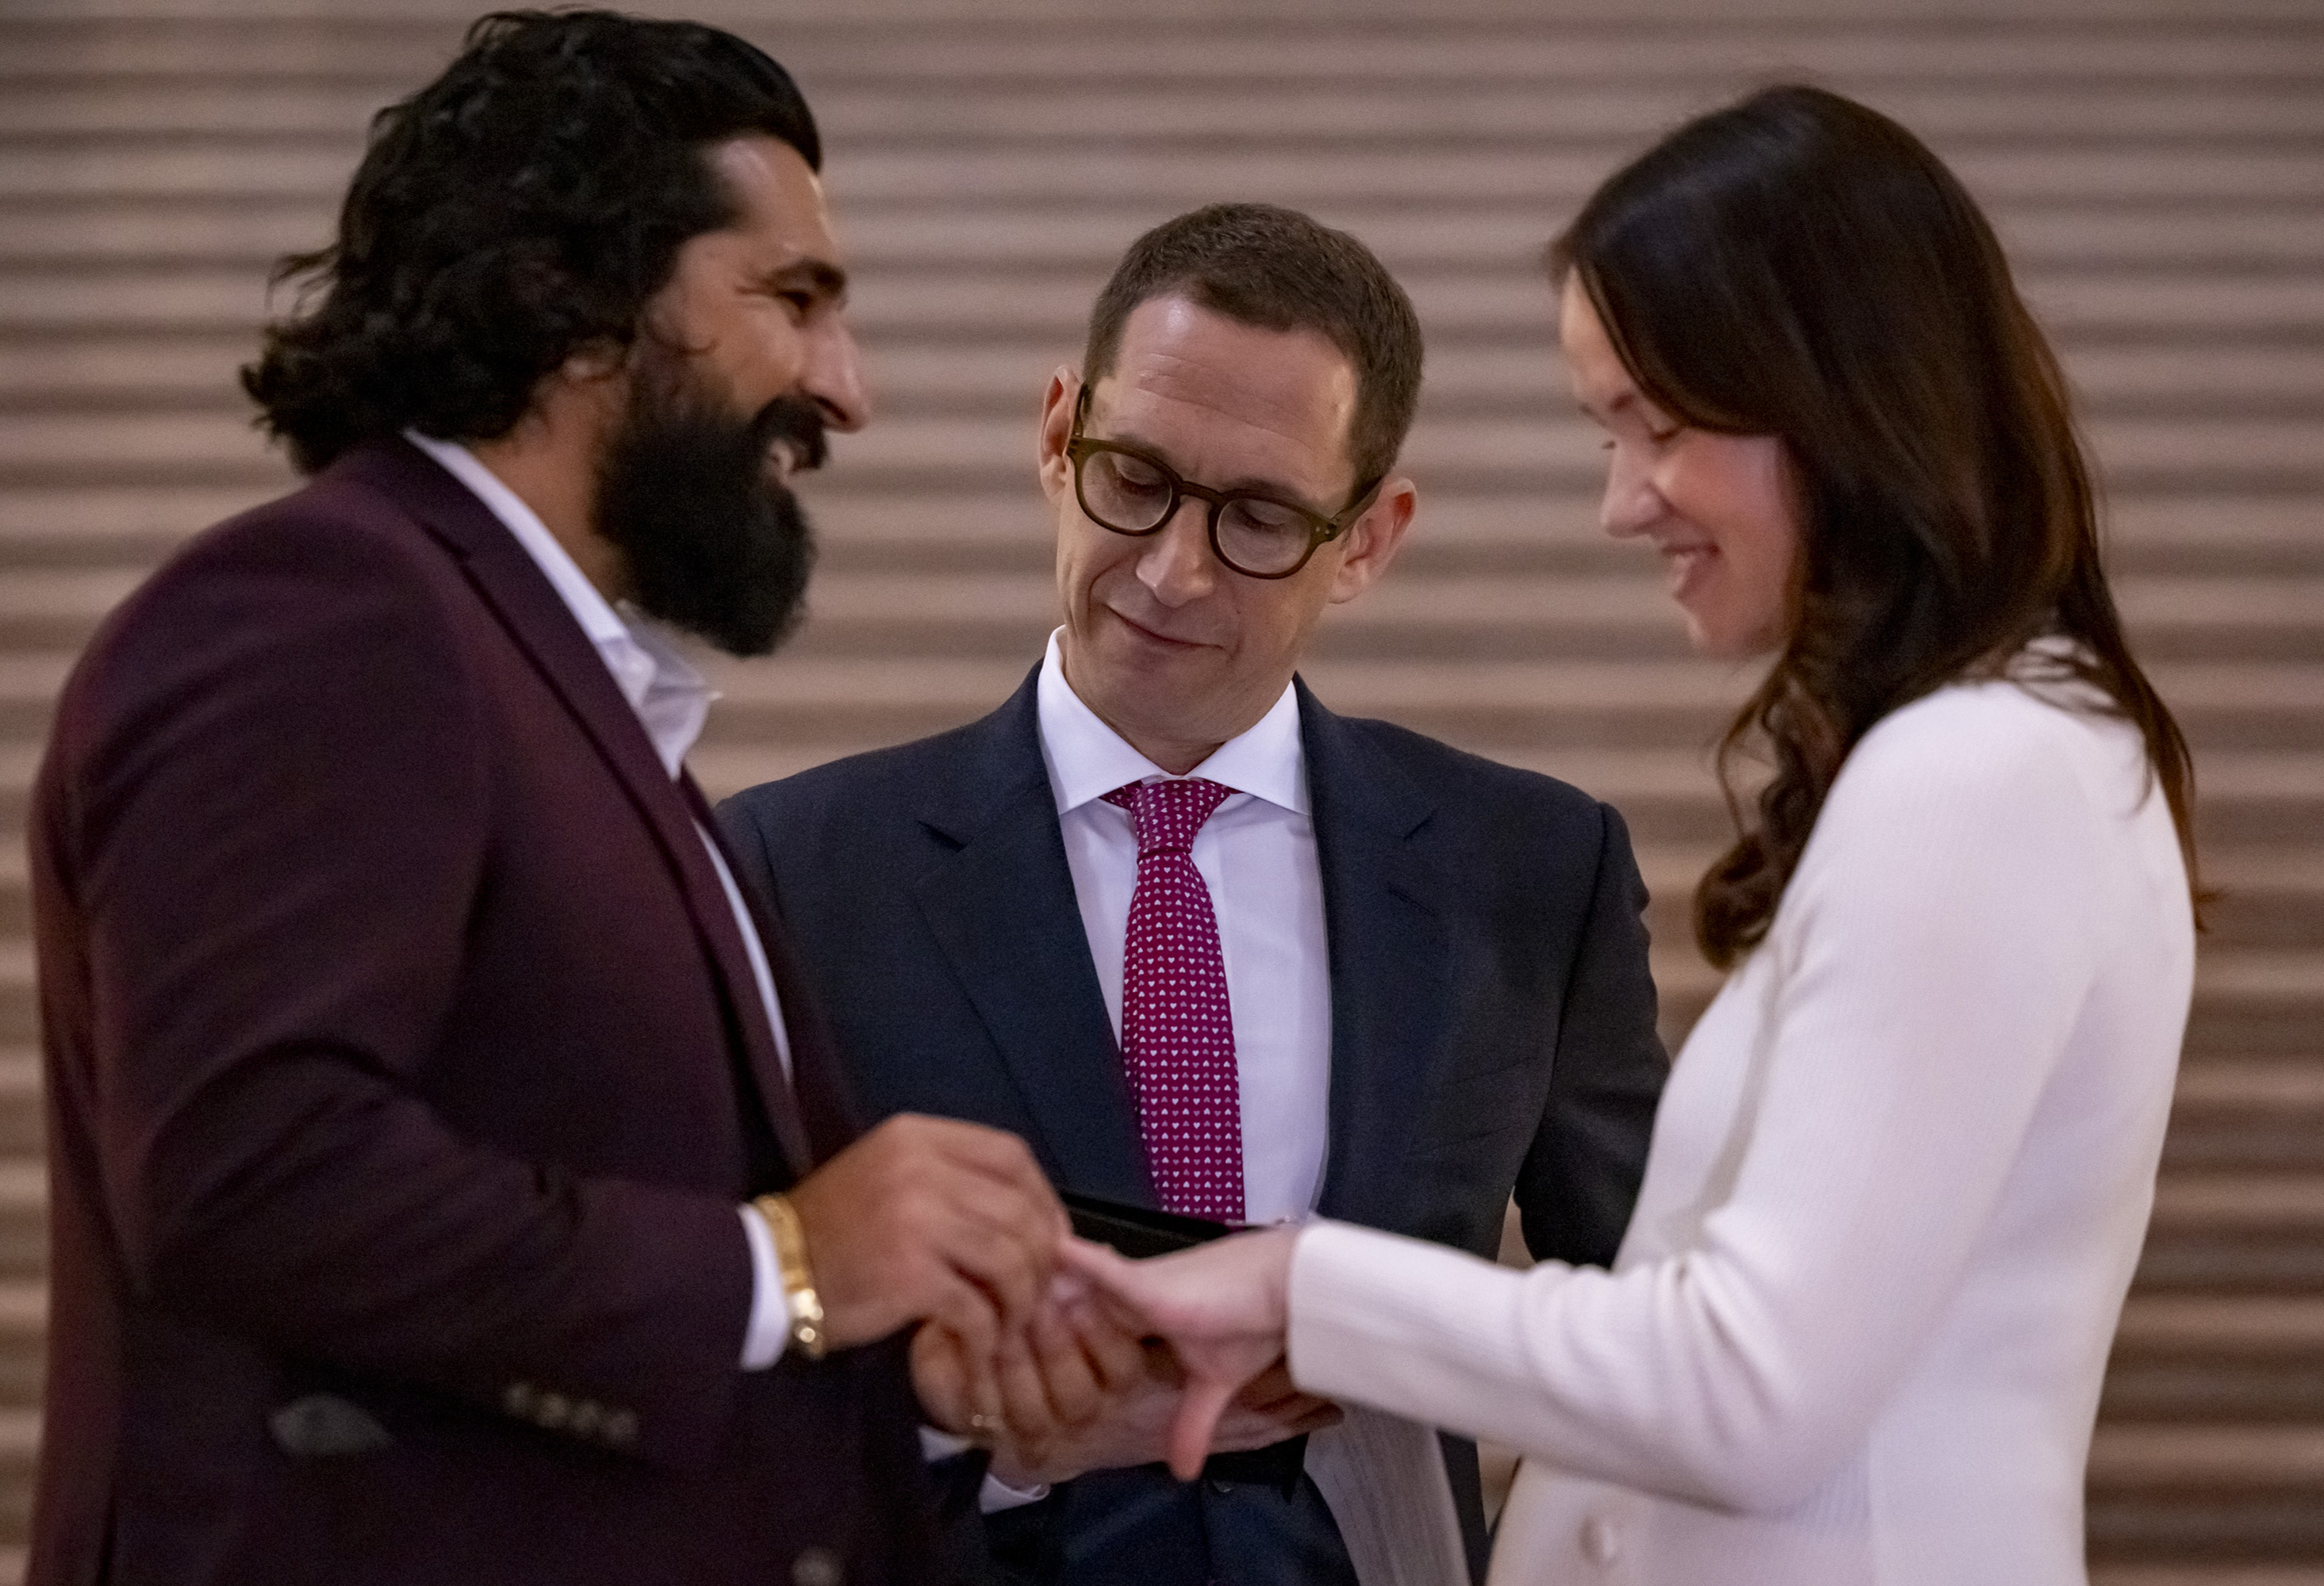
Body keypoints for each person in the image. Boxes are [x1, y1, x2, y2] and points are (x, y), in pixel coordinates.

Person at [27, 13, 1131, 1584]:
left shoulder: (524, 669)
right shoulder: (326, 610)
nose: (850, 388)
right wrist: (789, 1264)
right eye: (794, 298)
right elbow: (250, 1172)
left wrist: (894, 1364)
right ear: (574, 305)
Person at [1065, 85, 2203, 1586]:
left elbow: (1745, 1383)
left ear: (1840, 404)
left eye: (1654, 430)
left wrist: (1302, 1286)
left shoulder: (1975, 777)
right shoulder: (1995, 754)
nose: (1622, 505)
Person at [718, 201, 1672, 1586]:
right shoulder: (792, 868)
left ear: (1370, 537)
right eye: (1135, 479)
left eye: (1260, 519)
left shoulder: (1529, 871)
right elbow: (705, 1332)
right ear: (1058, 436)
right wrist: (951, 1421)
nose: (1173, 567)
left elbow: (1646, 1329)